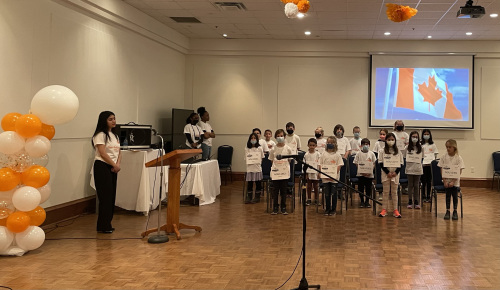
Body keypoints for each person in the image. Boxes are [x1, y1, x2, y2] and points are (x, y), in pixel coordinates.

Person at [92, 111, 121, 233]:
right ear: (104, 121)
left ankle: (108, 223)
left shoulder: (115, 135)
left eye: (114, 118)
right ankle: (102, 226)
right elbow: (103, 153)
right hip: (102, 166)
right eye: (110, 119)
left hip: (113, 167)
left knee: (111, 196)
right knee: (105, 197)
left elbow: (119, 152)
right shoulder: (100, 135)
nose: (113, 121)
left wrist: (117, 165)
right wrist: (114, 164)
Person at [378, 133, 404, 218]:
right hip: (386, 174)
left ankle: (395, 210)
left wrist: (396, 172)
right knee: (385, 192)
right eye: (389, 139)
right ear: (386, 140)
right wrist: (387, 172)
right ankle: (384, 209)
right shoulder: (382, 151)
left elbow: (401, 163)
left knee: (394, 192)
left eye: (392, 140)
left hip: (395, 174)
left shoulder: (398, 151)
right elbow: (381, 163)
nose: (391, 141)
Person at [438, 139, 465, 220]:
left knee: (454, 195)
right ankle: (447, 210)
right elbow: (441, 168)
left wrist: (453, 181)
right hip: (446, 181)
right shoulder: (444, 157)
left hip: (455, 182)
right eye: (447, 147)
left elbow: (459, 170)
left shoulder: (458, 158)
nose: (448, 149)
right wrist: (445, 181)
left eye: (450, 147)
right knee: (448, 195)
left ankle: (455, 211)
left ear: (454, 147)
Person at [268, 129, 293, 215]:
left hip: (284, 173)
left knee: (283, 191)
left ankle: (283, 207)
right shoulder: (273, 149)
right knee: (275, 190)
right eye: (278, 136)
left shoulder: (288, 148)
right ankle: (275, 207)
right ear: (275, 137)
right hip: (276, 172)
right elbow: (271, 160)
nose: (280, 137)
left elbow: (289, 160)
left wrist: (283, 167)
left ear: (285, 137)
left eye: (281, 136)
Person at [319, 136, 344, 216]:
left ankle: (333, 209)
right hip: (325, 178)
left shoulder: (337, 155)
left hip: (334, 178)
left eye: (331, 143)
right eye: (328, 143)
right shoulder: (323, 154)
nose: (330, 144)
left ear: (335, 144)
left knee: (333, 193)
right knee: (327, 194)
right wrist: (324, 174)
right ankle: (327, 209)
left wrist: (333, 175)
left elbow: (339, 166)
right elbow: (320, 165)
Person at [353, 138, 376, 208]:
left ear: (369, 145)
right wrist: (362, 171)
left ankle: (367, 201)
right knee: (361, 188)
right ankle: (362, 201)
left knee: (368, 188)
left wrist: (370, 171)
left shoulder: (371, 153)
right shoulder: (358, 154)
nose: (365, 146)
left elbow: (374, 163)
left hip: (369, 175)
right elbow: (356, 163)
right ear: (361, 145)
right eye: (363, 144)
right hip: (361, 175)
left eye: (367, 144)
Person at [405, 131, 424, 209]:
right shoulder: (407, 147)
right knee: (410, 185)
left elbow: (422, 158)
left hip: (417, 169)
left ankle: (416, 201)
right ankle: (410, 201)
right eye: (413, 137)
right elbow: (404, 157)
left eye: (416, 137)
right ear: (410, 137)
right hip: (409, 169)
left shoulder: (421, 148)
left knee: (416, 185)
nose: (415, 138)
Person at [244, 133, 265, 204]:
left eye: (254, 138)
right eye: (252, 138)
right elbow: (246, 158)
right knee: (250, 184)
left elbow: (262, 158)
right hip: (250, 168)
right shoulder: (247, 148)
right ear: (249, 139)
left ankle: (257, 197)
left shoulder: (260, 148)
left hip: (257, 168)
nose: (253, 139)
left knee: (258, 183)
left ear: (257, 139)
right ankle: (249, 196)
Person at [421, 129, 439, 203]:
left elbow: (435, 154)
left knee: (429, 181)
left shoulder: (433, 144)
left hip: (430, 165)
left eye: (427, 134)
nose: (426, 136)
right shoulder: (420, 144)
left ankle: (428, 195)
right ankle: (423, 196)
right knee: (423, 181)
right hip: (422, 165)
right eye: (424, 134)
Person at [304, 138, 320, 206]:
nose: (312, 147)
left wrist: (319, 172)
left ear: (316, 146)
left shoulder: (318, 154)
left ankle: (316, 199)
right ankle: (309, 199)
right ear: (308, 145)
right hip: (309, 173)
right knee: (309, 186)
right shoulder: (306, 154)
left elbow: (319, 164)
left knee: (316, 186)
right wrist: (305, 173)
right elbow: (304, 164)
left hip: (316, 173)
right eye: (310, 145)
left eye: (313, 145)